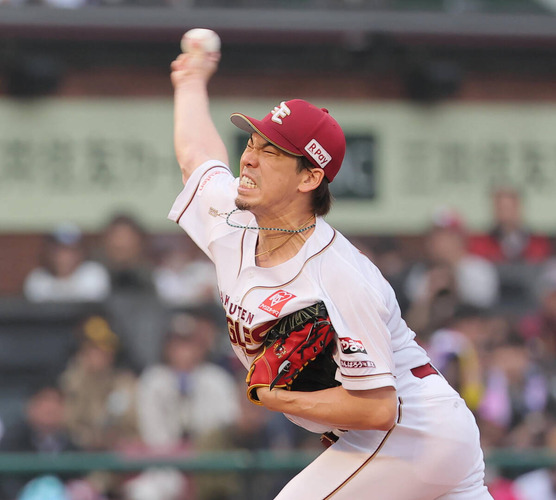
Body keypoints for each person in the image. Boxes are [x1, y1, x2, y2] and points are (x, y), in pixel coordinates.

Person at [167, 39, 492, 499]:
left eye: (272, 152)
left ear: (309, 177)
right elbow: (197, 158)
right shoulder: (233, 220)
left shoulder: (340, 274)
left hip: (414, 431)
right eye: (253, 143)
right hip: (401, 437)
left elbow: (379, 409)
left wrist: (280, 398)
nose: (249, 157)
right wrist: (190, 82)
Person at [23, 223, 110, 303]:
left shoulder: (94, 274)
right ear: (49, 252)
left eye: (71, 250)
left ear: (81, 252)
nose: (65, 256)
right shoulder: (37, 279)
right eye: (59, 250)